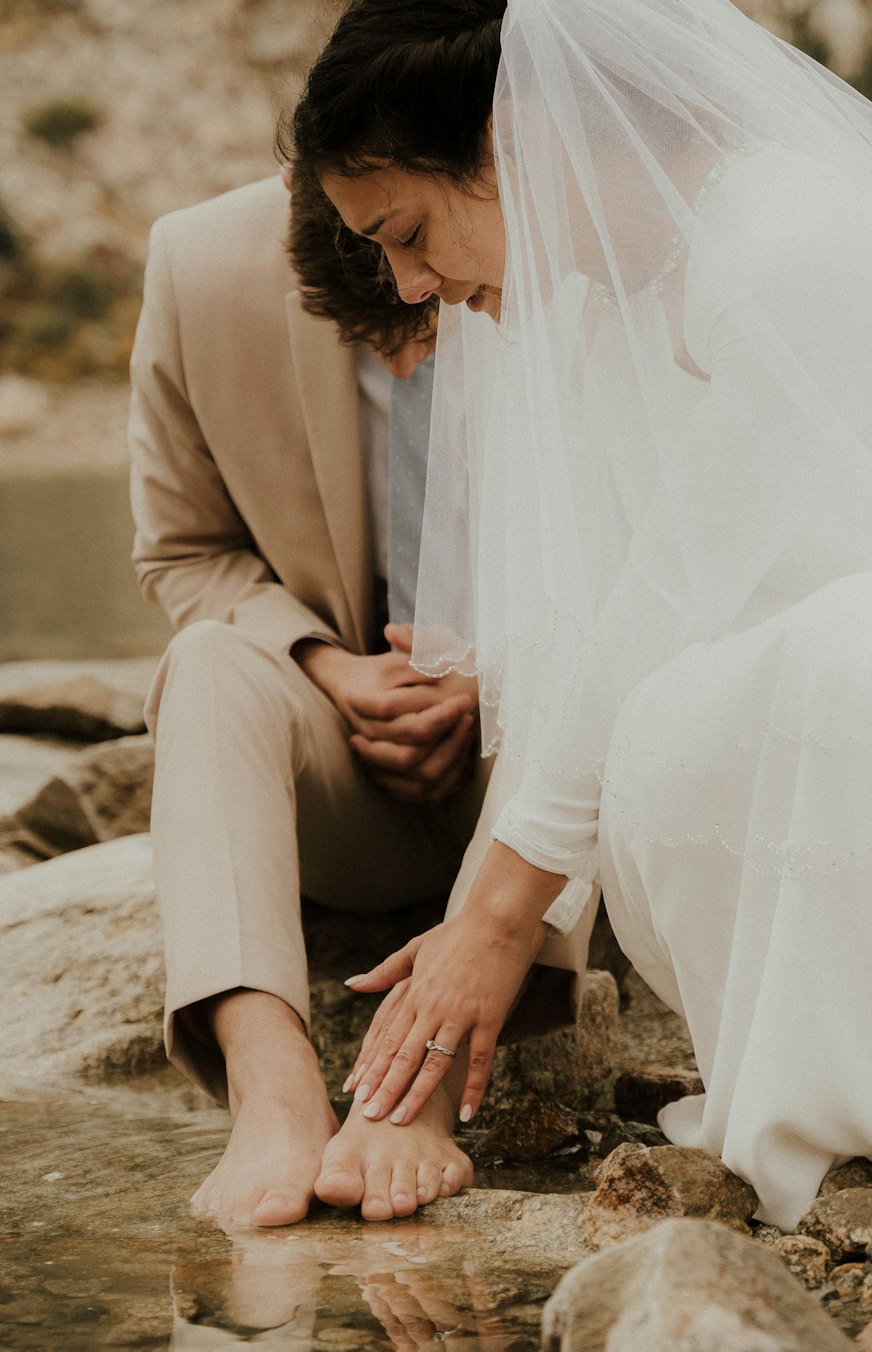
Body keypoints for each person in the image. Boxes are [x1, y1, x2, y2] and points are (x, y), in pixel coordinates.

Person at [290, 0, 872, 1230]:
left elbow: (666, 596)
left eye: (405, 231)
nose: (407, 285)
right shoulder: (605, 293)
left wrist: (501, 915)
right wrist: (469, 940)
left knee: (830, 660)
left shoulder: (789, 242)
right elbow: (592, 642)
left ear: (516, 139)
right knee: (673, 713)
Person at [128, 168, 595, 1227]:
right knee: (205, 660)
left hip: (548, 790)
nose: (414, 343)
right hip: (346, 758)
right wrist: (330, 672)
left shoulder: (572, 237)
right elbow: (181, 553)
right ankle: (270, 1079)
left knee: (574, 677)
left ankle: (412, 1094)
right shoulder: (201, 265)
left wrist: (488, 678)